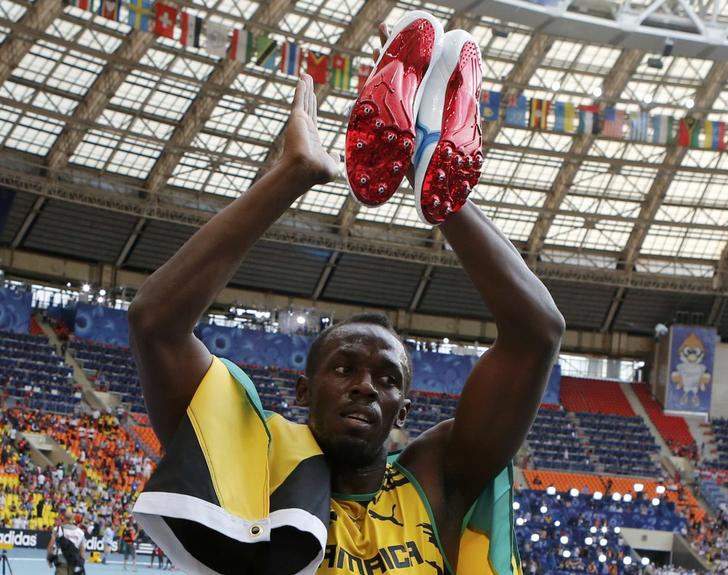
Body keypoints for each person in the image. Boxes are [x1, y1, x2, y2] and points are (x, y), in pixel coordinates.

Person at [130, 16, 564, 575]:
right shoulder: (251, 466)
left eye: (387, 379)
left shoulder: (434, 482)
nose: (365, 386)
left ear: (403, 409)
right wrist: (291, 174)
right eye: (345, 369)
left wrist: (439, 191)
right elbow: (154, 323)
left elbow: (538, 335)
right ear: (304, 389)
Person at [46, 510, 85, 575]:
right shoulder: (80, 532)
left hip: (61, 561)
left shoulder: (57, 530)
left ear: (63, 518)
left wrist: (49, 559)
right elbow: (82, 550)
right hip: (74, 561)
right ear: (73, 519)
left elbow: (50, 546)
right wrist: (81, 563)